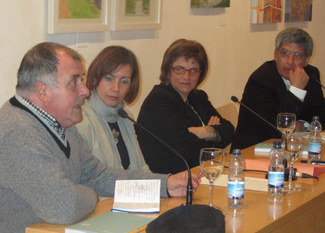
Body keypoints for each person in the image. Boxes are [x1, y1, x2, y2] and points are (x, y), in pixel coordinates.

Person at [0, 42, 199, 233]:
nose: (85, 90)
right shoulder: (17, 133)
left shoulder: (61, 122)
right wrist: (91, 194)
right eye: (74, 82)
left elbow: (98, 175)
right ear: (43, 91)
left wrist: (165, 184)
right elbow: (65, 207)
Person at [137, 39, 235, 174]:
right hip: (171, 182)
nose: (186, 76)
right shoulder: (158, 101)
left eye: (193, 70)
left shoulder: (197, 97)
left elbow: (229, 130)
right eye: (179, 69)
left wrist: (204, 132)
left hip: (198, 173)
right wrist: (214, 136)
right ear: (167, 70)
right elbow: (187, 151)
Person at [231, 27, 325, 150]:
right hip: (255, 152)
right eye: (285, 53)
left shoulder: (311, 75)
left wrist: (303, 125)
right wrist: (296, 90)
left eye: (297, 55)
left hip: (292, 149)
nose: (290, 61)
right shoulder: (261, 80)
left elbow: (323, 118)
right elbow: (276, 128)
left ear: (306, 60)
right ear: (276, 55)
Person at [76, 46, 150, 172]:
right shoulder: (80, 120)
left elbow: (142, 167)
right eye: (109, 78)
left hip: (132, 190)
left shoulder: (126, 117)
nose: (116, 88)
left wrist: (163, 186)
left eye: (124, 81)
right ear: (95, 78)